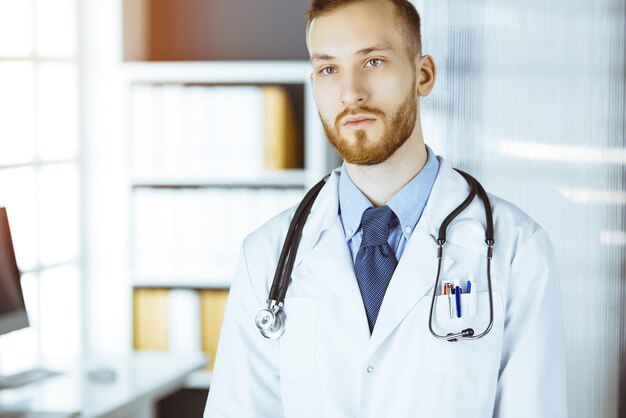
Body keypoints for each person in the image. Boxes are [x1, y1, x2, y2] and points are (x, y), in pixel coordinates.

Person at [203, 0, 568, 416]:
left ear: (423, 74)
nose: (350, 92)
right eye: (329, 69)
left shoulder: (517, 249)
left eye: (373, 61)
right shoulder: (266, 256)